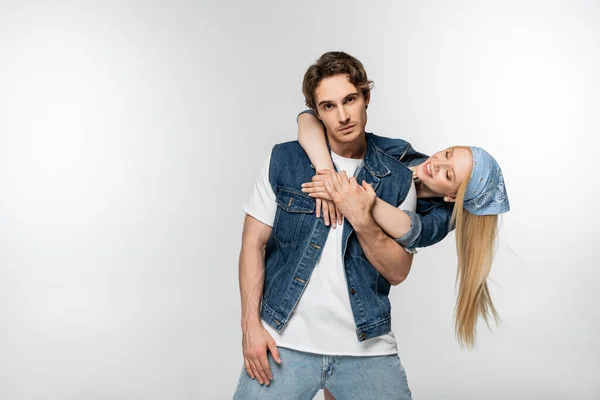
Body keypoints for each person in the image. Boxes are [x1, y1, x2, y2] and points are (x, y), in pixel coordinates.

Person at [233, 51, 420, 399]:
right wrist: (250, 328)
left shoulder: (396, 180)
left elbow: (398, 271)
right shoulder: (284, 160)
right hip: (282, 342)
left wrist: (359, 214)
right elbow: (251, 245)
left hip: (367, 349)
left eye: (350, 100)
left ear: (366, 97)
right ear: (317, 112)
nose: (343, 116)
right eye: (329, 106)